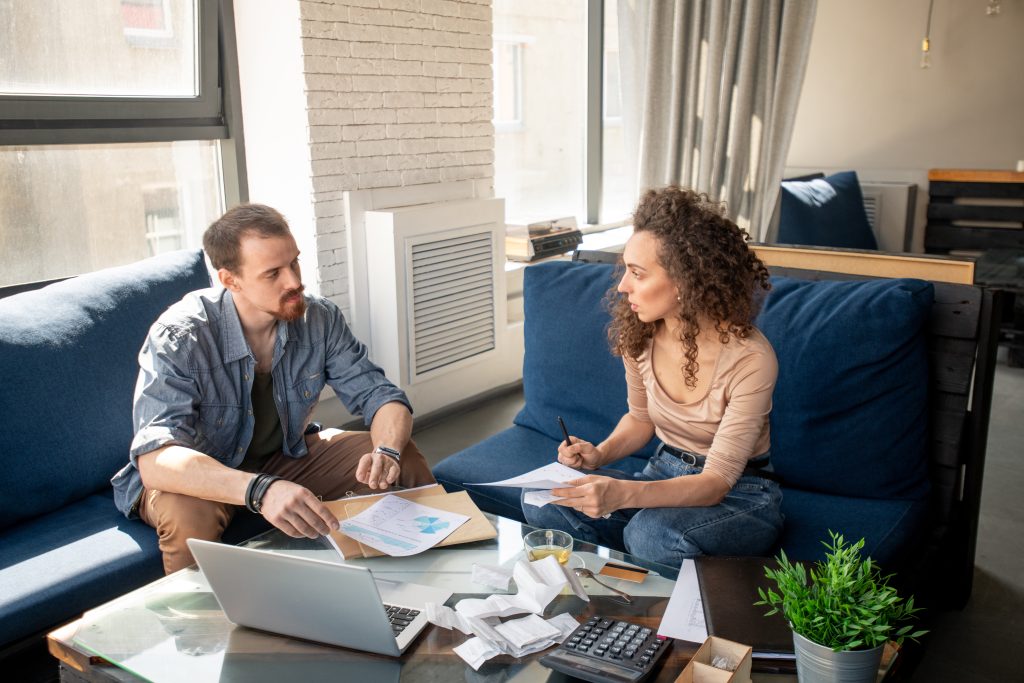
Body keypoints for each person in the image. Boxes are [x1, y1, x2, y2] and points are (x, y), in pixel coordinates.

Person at [111, 203, 435, 574]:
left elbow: (380, 396)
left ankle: (430, 582)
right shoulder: (181, 336)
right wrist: (261, 490)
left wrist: (388, 450)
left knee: (403, 459)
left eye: (294, 263)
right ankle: (203, 626)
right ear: (230, 280)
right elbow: (156, 460)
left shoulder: (319, 318)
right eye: (273, 274)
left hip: (284, 456)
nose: (294, 281)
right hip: (202, 476)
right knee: (188, 518)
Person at [521, 186, 782, 567]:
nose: (623, 285)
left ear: (687, 280)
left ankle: (638, 568)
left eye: (637, 273)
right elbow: (641, 419)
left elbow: (715, 483)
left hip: (741, 494)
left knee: (649, 534)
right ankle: (608, 586)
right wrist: (598, 455)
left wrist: (621, 495)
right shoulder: (641, 333)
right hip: (662, 471)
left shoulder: (751, 359)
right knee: (544, 500)